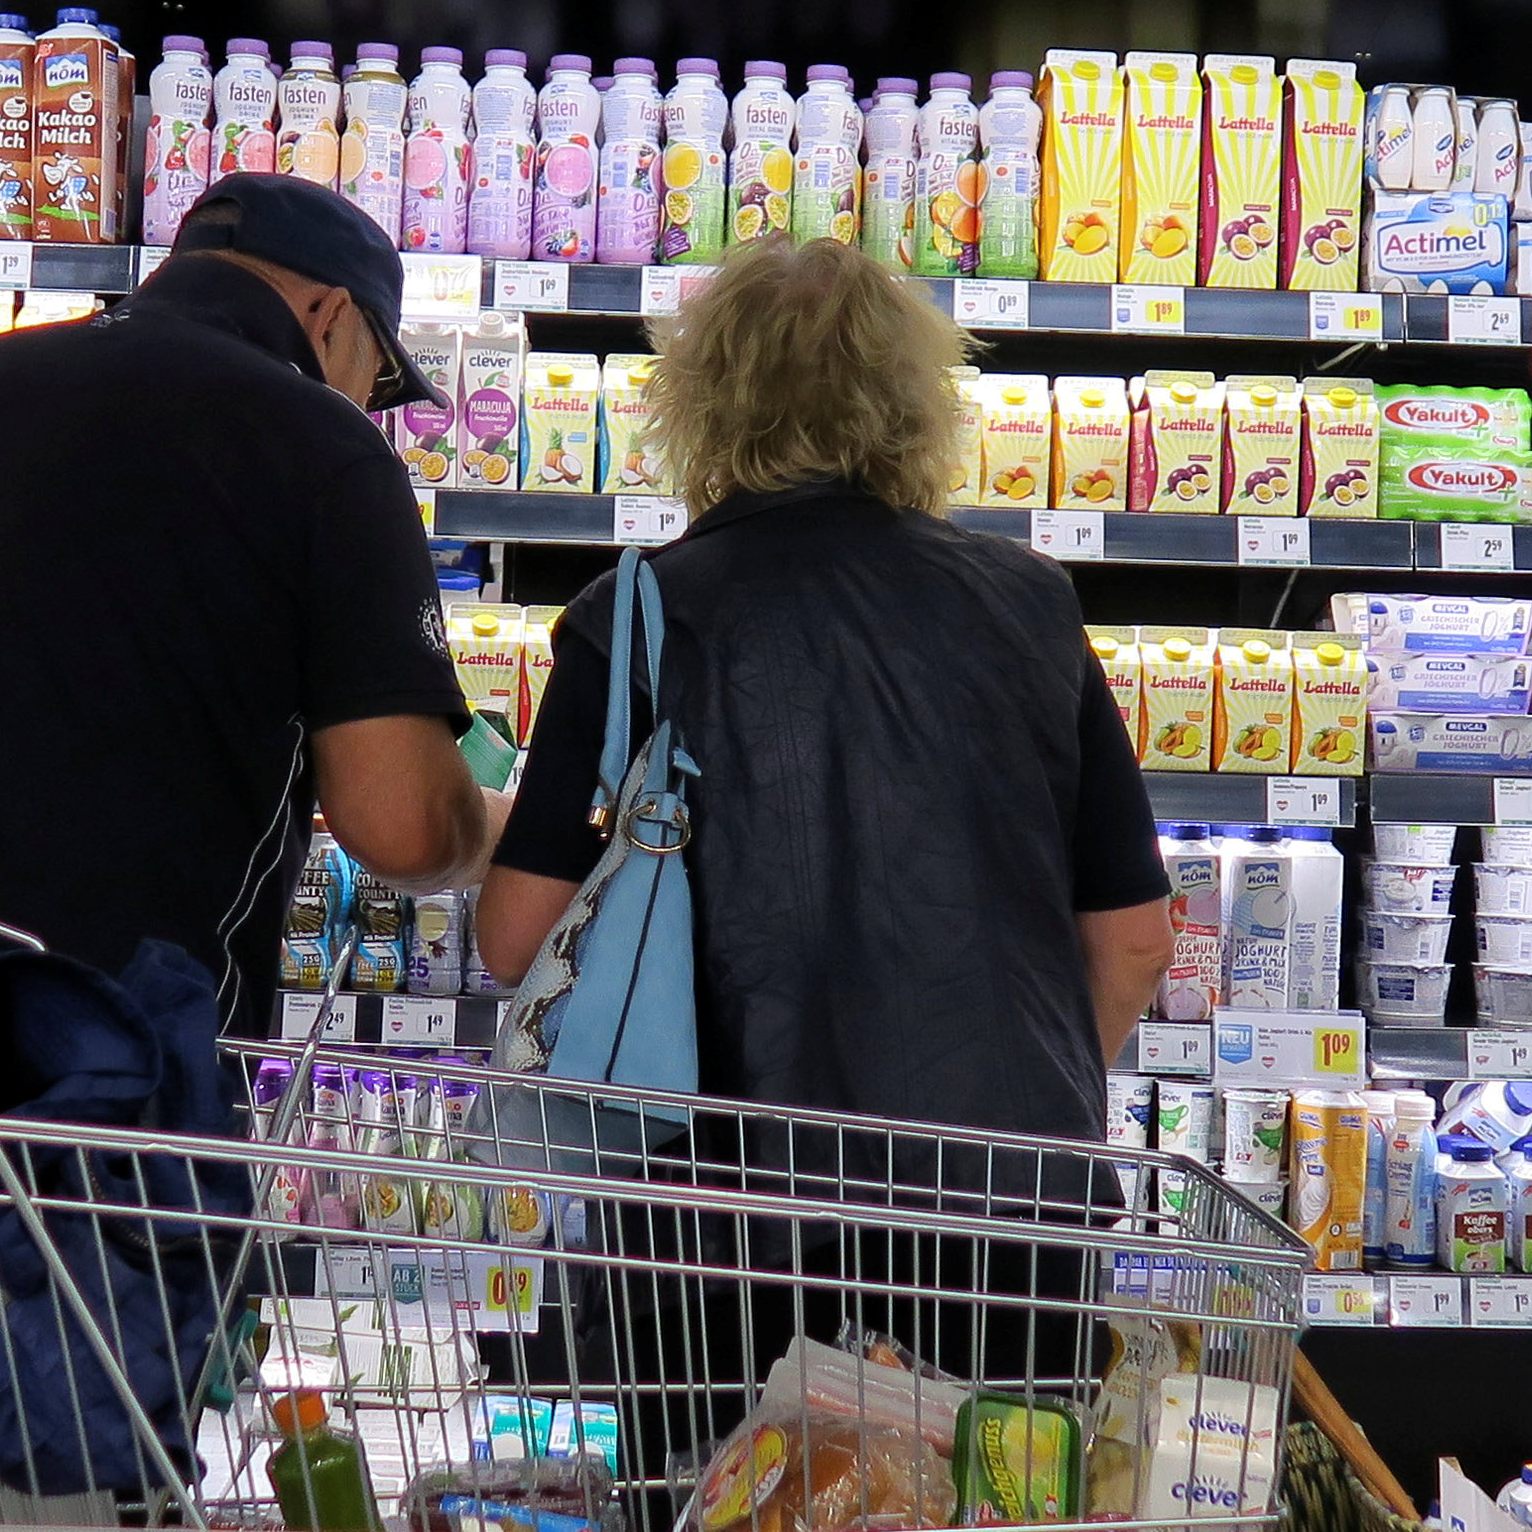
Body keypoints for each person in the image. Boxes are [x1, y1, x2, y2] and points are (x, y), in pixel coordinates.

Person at [477, 236, 1172, 1140]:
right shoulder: (1031, 602)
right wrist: (1029, 1127)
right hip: (1006, 1208)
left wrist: (483, 834)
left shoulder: (640, 615)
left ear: (702, 404)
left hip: (728, 1210)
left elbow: (516, 943)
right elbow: (1136, 942)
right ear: (918, 405)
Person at [0, 174, 506, 1037]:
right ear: (331, 317)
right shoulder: (324, 450)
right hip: (127, 1052)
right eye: (376, 379)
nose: (365, 408)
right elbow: (405, 826)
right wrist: (515, 832)